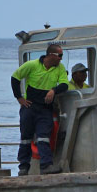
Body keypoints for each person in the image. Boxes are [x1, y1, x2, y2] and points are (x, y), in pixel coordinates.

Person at [11, 44, 69, 176]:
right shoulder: (32, 65)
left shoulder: (60, 68)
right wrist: (19, 97)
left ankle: (46, 166)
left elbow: (65, 85)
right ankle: (23, 167)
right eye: (59, 55)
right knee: (26, 137)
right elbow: (15, 77)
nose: (61, 58)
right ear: (51, 55)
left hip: (45, 109)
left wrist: (53, 90)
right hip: (29, 107)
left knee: (44, 137)